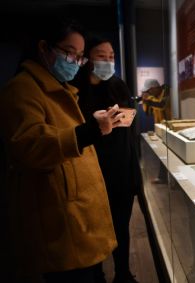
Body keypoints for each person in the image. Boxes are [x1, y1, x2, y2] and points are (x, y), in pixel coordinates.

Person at [0, 17, 120, 283]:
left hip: (75, 211)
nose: (74, 62)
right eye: (69, 53)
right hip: (57, 218)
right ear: (44, 47)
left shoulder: (60, 89)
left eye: (78, 57)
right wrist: (89, 131)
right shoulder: (22, 90)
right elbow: (29, 146)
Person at [72, 36, 143, 283]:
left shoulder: (118, 85)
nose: (108, 61)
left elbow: (128, 128)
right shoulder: (75, 88)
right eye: (102, 56)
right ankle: (97, 275)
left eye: (111, 56)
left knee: (121, 228)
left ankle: (123, 274)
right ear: (87, 59)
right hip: (92, 171)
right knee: (94, 230)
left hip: (122, 168)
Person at [140, 79, 171, 184]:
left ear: (153, 88)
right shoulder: (154, 97)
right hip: (160, 128)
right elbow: (148, 113)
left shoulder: (166, 91)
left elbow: (162, 105)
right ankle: (163, 178)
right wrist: (145, 101)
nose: (148, 93)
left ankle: (169, 180)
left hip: (170, 128)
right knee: (163, 154)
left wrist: (148, 98)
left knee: (170, 155)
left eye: (148, 91)